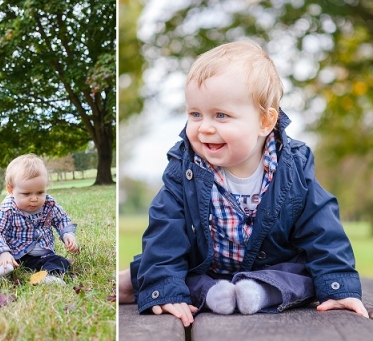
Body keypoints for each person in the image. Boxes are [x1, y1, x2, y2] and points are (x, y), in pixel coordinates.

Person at [119, 40, 368, 327]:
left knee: (303, 274)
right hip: (205, 268)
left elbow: (322, 228)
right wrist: (164, 287)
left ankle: (258, 292)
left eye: (221, 115)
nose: (205, 127)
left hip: (274, 267)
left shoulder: (293, 166)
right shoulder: (184, 167)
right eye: (195, 114)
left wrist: (338, 285)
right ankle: (211, 293)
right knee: (168, 271)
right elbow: (165, 228)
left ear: (265, 121)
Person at [0, 154, 80, 284]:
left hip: (41, 256)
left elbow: (62, 219)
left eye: (40, 192)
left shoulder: (49, 205)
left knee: (59, 261)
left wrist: (68, 234)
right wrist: (3, 253)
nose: (34, 198)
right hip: (13, 255)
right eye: (26, 194)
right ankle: (1, 271)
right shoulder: (8, 209)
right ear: (11, 190)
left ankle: (50, 277)